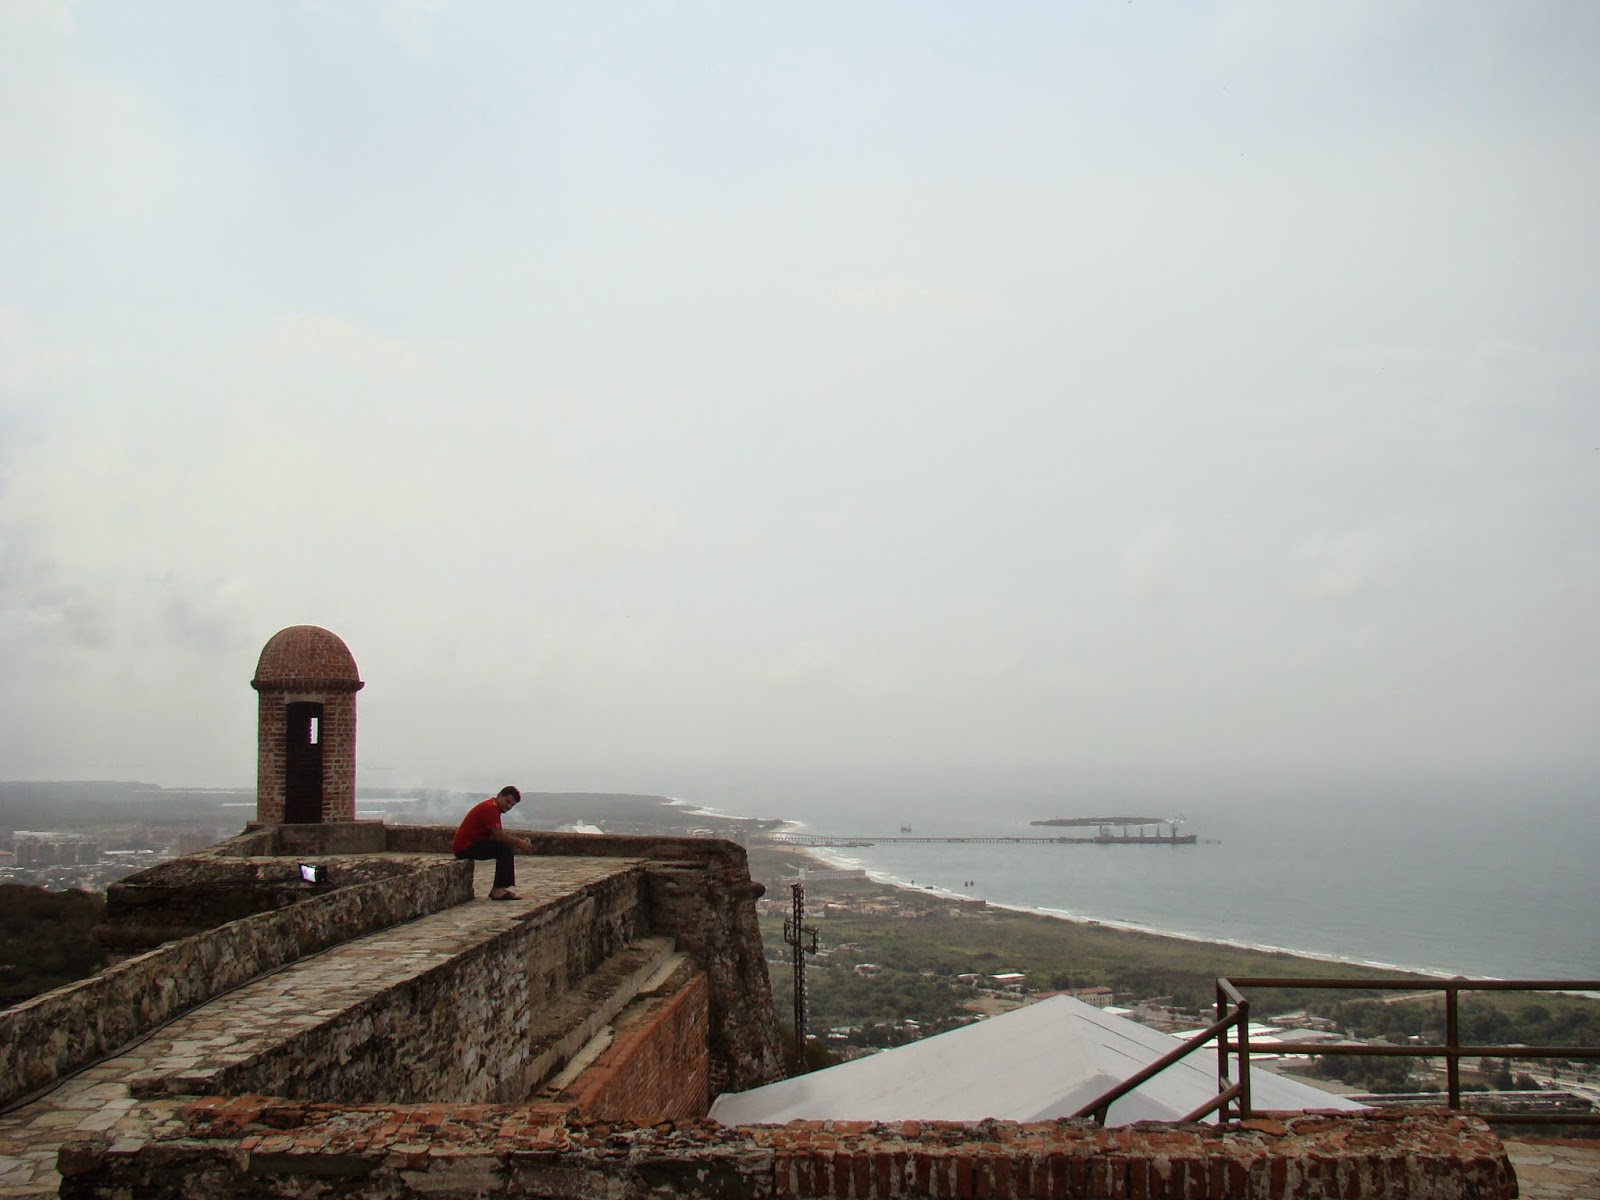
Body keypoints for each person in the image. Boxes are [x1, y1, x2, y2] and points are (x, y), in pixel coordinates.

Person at [452, 785, 533, 900]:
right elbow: (499, 836)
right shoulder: (490, 808)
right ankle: (498, 890)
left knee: (504, 848)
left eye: (512, 805)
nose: (509, 806)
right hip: (465, 847)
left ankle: (499, 888)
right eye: (507, 801)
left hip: (470, 844)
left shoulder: (493, 807)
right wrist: (520, 843)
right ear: (500, 795)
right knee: (504, 849)